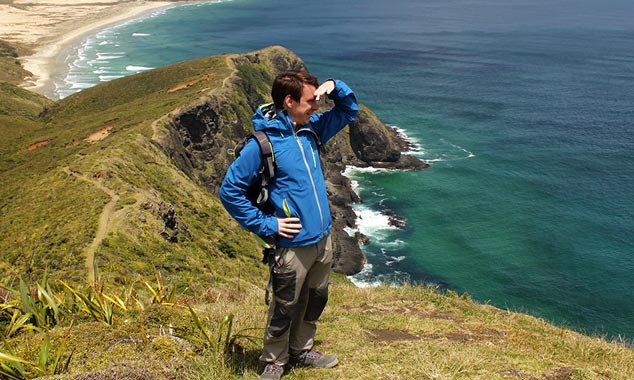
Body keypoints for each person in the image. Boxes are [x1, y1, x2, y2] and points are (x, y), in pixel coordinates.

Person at [219, 70, 358, 380]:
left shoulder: (312, 129)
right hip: (291, 244)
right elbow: (229, 191)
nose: (315, 107)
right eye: (310, 101)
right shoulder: (262, 145)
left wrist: (335, 86)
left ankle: (302, 349)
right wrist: (267, 224)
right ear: (289, 101)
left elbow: (349, 110)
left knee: (316, 298)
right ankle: (274, 360)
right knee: (284, 305)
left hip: (323, 238)